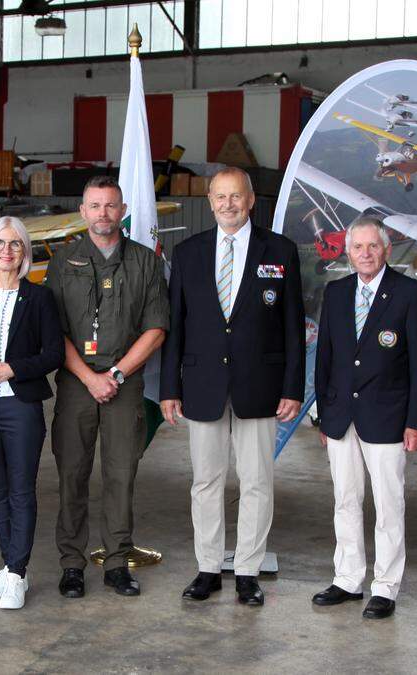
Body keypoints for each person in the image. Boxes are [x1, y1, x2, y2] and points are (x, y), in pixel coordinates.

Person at [160, 167, 304, 606]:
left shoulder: (279, 251)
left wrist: (293, 387)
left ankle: (247, 571)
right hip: (202, 385)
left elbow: (293, 326)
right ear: (209, 200)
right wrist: (170, 388)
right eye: (220, 197)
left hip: (260, 385)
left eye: (235, 196)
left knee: (257, 480)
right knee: (205, 481)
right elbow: (176, 327)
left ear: (250, 200)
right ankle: (207, 568)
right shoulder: (188, 253)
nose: (228, 204)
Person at [45, 175, 168, 598]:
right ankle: (72, 564)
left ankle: (117, 562)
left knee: (121, 475)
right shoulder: (63, 262)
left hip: (124, 384)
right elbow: (52, 330)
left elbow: (155, 329)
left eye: (111, 206)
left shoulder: (145, 262)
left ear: (124, 211)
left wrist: (114, 376)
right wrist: (88, 377)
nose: (103, 214)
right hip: (77, 382)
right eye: (94, 206)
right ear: (82, 212)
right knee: (72, 475)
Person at [312, 217, 417, 619]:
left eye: (373, 247)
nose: (365, 254)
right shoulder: (336, 292)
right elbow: (325, 359)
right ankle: (348, 578)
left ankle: (385, 586)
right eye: (357, 247)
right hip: (341, 417)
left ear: (387, 249)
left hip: (388, 417)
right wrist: (324, 416)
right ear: (347, 252)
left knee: (388, 504)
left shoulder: (411, 294)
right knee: (345, 500)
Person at [0, 217, 64, 610]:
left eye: (15, 244)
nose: (6, 251)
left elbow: (52, 353)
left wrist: (11, 368)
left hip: (20, 405)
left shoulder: (40, 299)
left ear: (24, 252)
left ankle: (17, 574)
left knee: (21, 491)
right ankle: (9, 566)